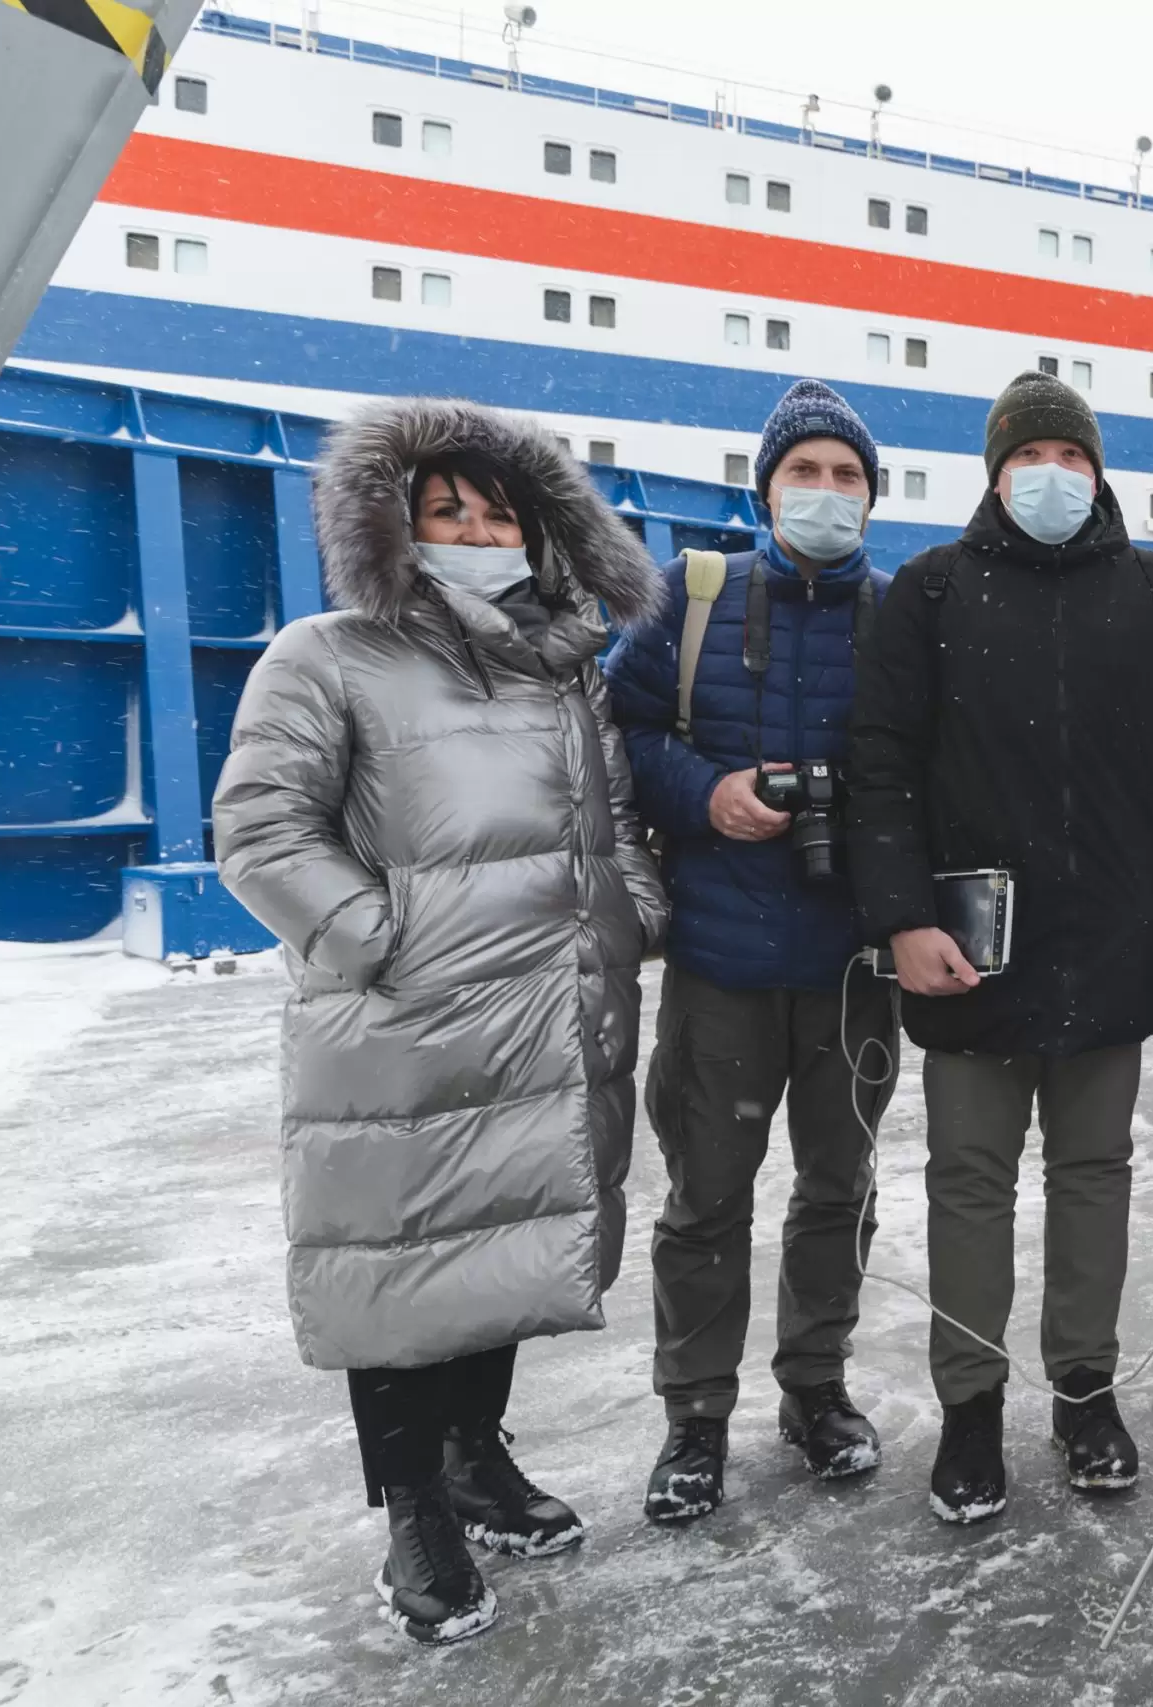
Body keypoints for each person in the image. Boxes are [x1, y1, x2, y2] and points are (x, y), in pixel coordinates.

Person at [213, 397, 668, 1645]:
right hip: (408, 1030)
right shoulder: (327, 654)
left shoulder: (562, 666)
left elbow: (612, 818)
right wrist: (382, 943)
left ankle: (476, 1457)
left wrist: (628, 909)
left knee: (505, 1248)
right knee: (403, 1269)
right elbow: (259, 833)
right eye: (443, 511)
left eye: (496, 511)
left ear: (541, 534)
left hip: (549, 1011)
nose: (474, 530)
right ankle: (415, 1509)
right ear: (393, 528)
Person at [847, 371, 1153, 1525]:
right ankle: (970, 1407)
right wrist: (903, 916)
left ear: (1097, 470)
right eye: (1029, 457)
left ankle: (1083, 1390)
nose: (1050, 475)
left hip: (1107, 945)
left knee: (1093, 1177)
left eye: (1070, 455)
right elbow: (880, 765)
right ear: (994, 472)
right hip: (971, 951)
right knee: (968, 1183)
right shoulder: (929, 592)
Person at [603, 379, 897, 1524]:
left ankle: (815, 1389)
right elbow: (620, 730)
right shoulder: (692, 592)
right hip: (720, 959)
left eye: (846, 477)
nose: (825, 494)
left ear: (871, 497)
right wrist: (707, 791)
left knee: (839, 1189)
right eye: (803, 474)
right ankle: (694, 1417)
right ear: (764, 487)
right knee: (706, 1197)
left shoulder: (897, 613)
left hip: (850, 968)